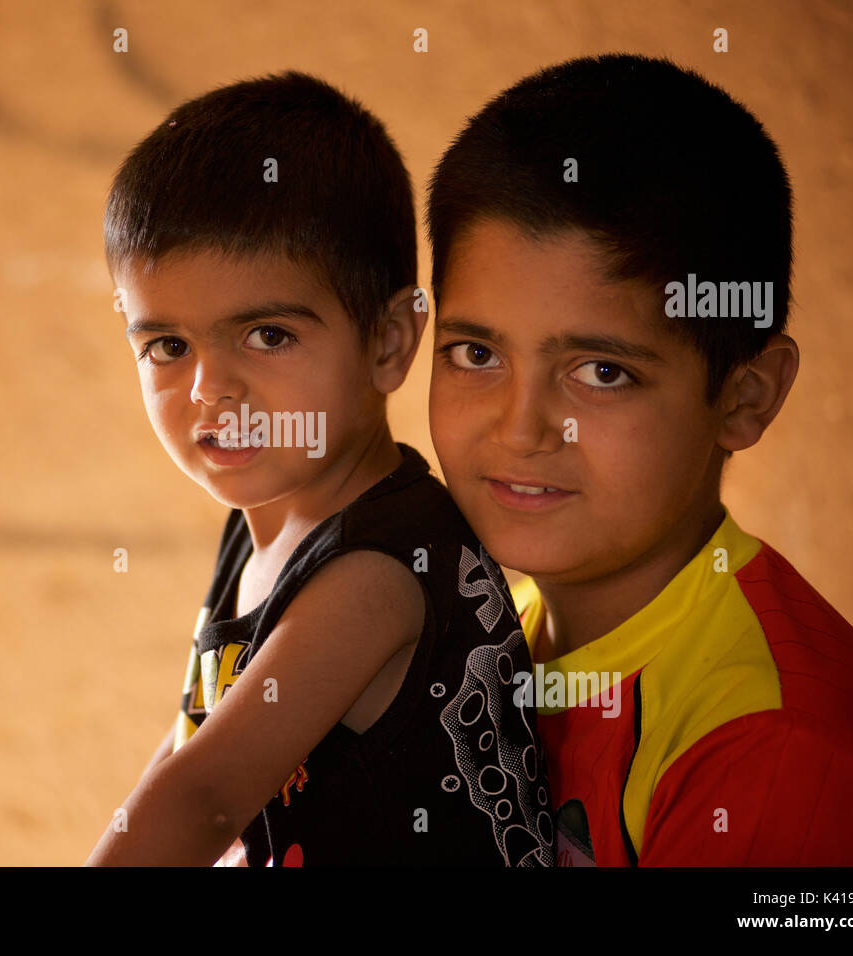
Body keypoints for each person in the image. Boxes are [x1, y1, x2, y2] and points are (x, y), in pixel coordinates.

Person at [425, 53, 853, 865]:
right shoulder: (495, 639)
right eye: (476, 353)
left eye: (602, 372)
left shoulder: (773, 744)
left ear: (745, 396)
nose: (521, 430)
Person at [86, 71, 553, 866]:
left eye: (266, 335)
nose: (208, 388)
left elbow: (201, 801)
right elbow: (185, 754)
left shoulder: (376, 571)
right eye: (167, 345)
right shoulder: (262, 524)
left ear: (389, 343)